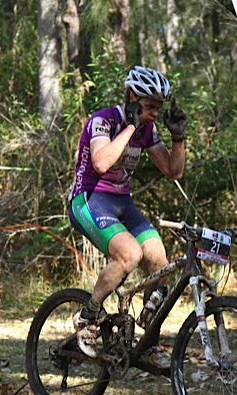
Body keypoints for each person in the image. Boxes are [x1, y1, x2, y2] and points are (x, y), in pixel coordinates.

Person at [68, 66, 187, 369]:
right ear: (133, 98)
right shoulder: (103, 120)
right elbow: (101, 162)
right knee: (129, 255)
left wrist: (177, 137)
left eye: (159, 109)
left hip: (122, 202)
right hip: (90, 200)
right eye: (149, 108)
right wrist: (130, 128)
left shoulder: (149, 129)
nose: (153, 115)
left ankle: (149, 342)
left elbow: (174, 172)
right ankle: (88, 316)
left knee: (161, 263)